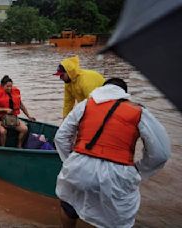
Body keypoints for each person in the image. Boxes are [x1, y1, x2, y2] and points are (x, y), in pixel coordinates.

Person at [54, 78, 171, 228]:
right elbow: (161, 153)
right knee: (116, 220)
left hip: (78, 166)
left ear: (102, 88)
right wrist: (139, 170)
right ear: (124, 93)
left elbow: (61, 137)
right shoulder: (139, 111)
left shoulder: (85, 105)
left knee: (69, 205)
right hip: (118, 173)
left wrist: (71, 160)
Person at [0, 75, 35, 148]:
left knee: (24, 129)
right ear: (2, 86)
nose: (9, 88)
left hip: (12, 118)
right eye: (7, 86)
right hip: (0, 120)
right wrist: (5, 110)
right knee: (3, 132)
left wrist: (28, 116)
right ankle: (3, 147)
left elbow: (21, 106)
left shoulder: (15, 94)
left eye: (10, 86)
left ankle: (19, 145)